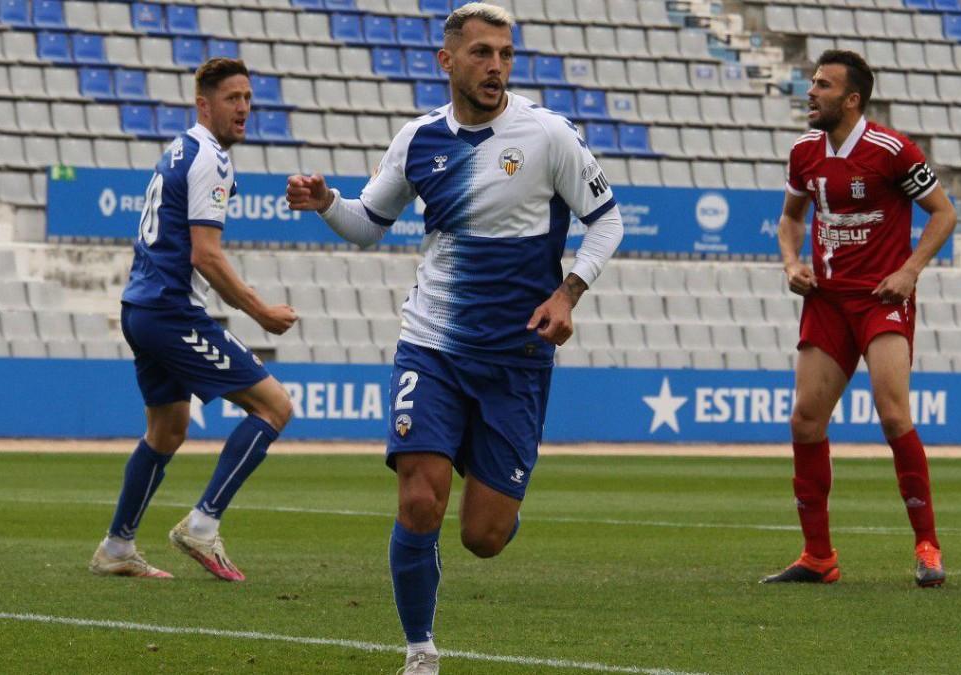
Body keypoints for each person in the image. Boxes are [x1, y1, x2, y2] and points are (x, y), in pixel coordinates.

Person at [286, 4, 623, 672]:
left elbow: (607, 221)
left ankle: (486, 470)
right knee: (418, 498)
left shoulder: (548, 135)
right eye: (481, 53)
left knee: (484, 536)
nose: (495, 66)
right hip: (432, 342)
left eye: (504, 53)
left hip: (515, 355)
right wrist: (327, 202)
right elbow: (367, 224)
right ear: (448, 62)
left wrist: (568, 291)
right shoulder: (417, 141)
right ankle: (420, 650)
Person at [89, 58, 298, 581]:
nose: (245, 108)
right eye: (233, 99)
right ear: (203, 104)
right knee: (274, 405)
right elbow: (205, 256)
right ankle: (202, 525)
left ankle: (117, 547)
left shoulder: (182, 150)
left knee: (167, 429)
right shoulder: (211, 159)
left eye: (249, 98)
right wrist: (262, 312)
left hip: (140, 308)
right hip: (168, 310)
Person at [762, 50, 956, 588]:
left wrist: (911, 270)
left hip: (880, 299)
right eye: (812, 83)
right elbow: (790, 219)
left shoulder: (892, 150)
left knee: (893, 416)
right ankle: (818, 557)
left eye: (822, 85)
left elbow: (945, 212)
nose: (811, 92)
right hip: (826, 300)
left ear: (851, 99)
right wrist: (791, 262)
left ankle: (928, 546)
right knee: (804, 420)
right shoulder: (804, 152)